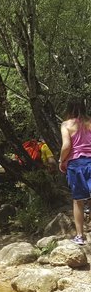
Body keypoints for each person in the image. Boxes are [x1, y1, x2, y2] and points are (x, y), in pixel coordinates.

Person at [58, 99, 91, 245]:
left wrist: (61, 160)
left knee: (78, 201)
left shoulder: (66, 125)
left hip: (76, 164)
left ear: (69, 109)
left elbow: (66, 146)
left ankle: (80, 236)